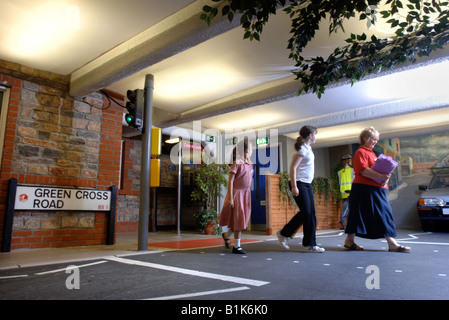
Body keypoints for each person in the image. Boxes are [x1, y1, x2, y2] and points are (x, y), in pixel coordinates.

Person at [344, 127, 410, 252]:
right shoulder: (360, 152)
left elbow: (375, 171)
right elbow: (363, 170)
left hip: (375, 188)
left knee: (370, 213)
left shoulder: (372, 153)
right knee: (374, 213)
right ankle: (391, 243)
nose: (375, 142)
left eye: (376, 140)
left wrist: (385, 178)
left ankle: (350, 240)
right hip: (363, 189)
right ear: (365, 138)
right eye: (373, 139)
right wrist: (381, 176)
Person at [277, 125, 325, 253]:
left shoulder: (308, 148)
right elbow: (293, 168)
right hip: (299, 183)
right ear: (310, 135)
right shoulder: (302, 149)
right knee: (308, 213)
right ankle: (309, 244)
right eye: (315, 134)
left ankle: (285, 233)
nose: (315, 137)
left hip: (307, 184)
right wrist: (294, 186)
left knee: (309, 214)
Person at [219, 139, 253, 254]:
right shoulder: (236, 163)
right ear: (247, 150)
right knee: (239, 220)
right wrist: (231, 198)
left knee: (240, 220)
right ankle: (237, 246)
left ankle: (226, 235)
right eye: (251, 148)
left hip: (246, 194)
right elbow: (230, 181)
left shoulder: (249, 164)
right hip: (237, 194)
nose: (252, 150)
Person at [338, 154, 355, 229]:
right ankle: (342, 222)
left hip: (343, 193)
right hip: (350, 192)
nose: (351, 161)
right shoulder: (352, 170)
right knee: (346, 208)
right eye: (350, 160)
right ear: (347, 161)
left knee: (347, 208)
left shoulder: (340, 172)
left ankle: (347, 223)